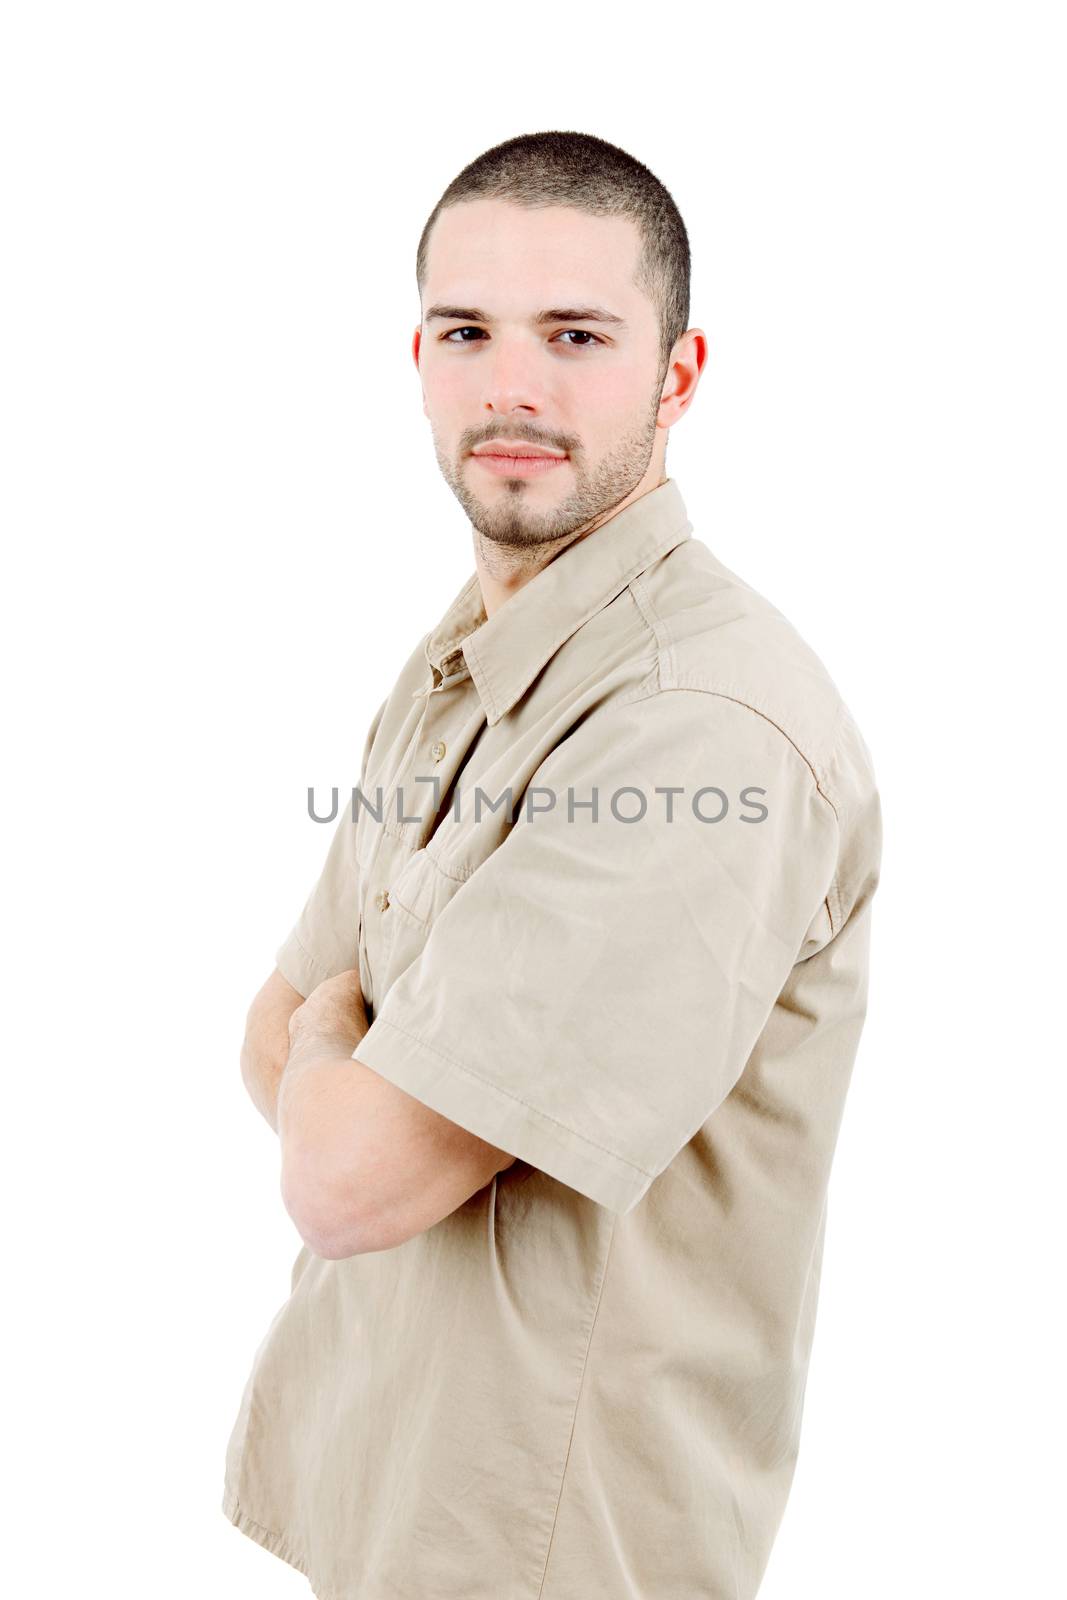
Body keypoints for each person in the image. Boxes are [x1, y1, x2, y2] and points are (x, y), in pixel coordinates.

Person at [222, 129, 882, 1600]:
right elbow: (266, 1038)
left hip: (556, 1552)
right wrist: (338, 1066)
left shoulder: (696, 723)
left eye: (576, 336)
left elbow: (342, 1172)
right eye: (469, 333)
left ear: (680, 373)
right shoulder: (467, 658)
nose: (511, 386)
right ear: (420, 358)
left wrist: (343, 1051)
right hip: (390, 1499)